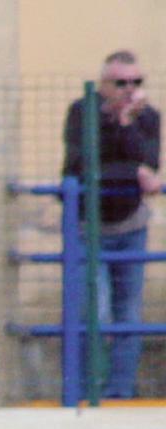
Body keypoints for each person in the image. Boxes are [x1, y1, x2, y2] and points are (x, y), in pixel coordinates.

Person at [62, 49, 162, 399]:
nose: (129, 89)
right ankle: (90, 389)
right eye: (121, 82)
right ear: (103, 84)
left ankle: (121, 391)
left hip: (131, 226)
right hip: (89, 228)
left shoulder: (147, 117)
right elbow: (80, 166)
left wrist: (126, 124)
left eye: (137, 82)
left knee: (128, 312)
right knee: (96, 311)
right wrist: (133, 172)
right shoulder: (82, 113)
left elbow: (149, 161)